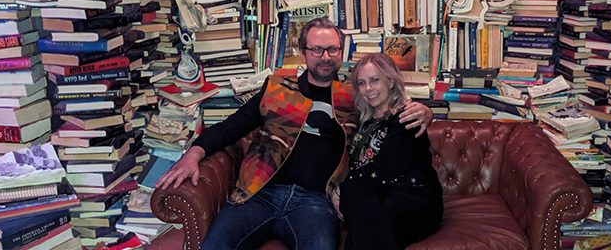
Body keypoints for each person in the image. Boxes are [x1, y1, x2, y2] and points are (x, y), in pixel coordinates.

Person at [156, 17, 434, 250]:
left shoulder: (355, 96)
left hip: (314, 201)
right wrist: (193, 153)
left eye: (333, 50)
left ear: (341, 52)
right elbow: (232, 126)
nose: (325, 57)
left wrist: (424, 111)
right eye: (317, 50)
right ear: (304, 52)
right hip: (258, 193)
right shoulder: (276, 89)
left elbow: (388, 112)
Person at [337, 53, 443, 250]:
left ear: (391, 82)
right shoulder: (363, 119)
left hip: (412, 198)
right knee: (363, 210)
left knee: (368, 218)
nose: (368, 89)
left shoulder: (408, 116)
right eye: (361, 83)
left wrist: (342, 189)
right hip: (375, 195)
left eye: (374, 80)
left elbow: (385, 168)